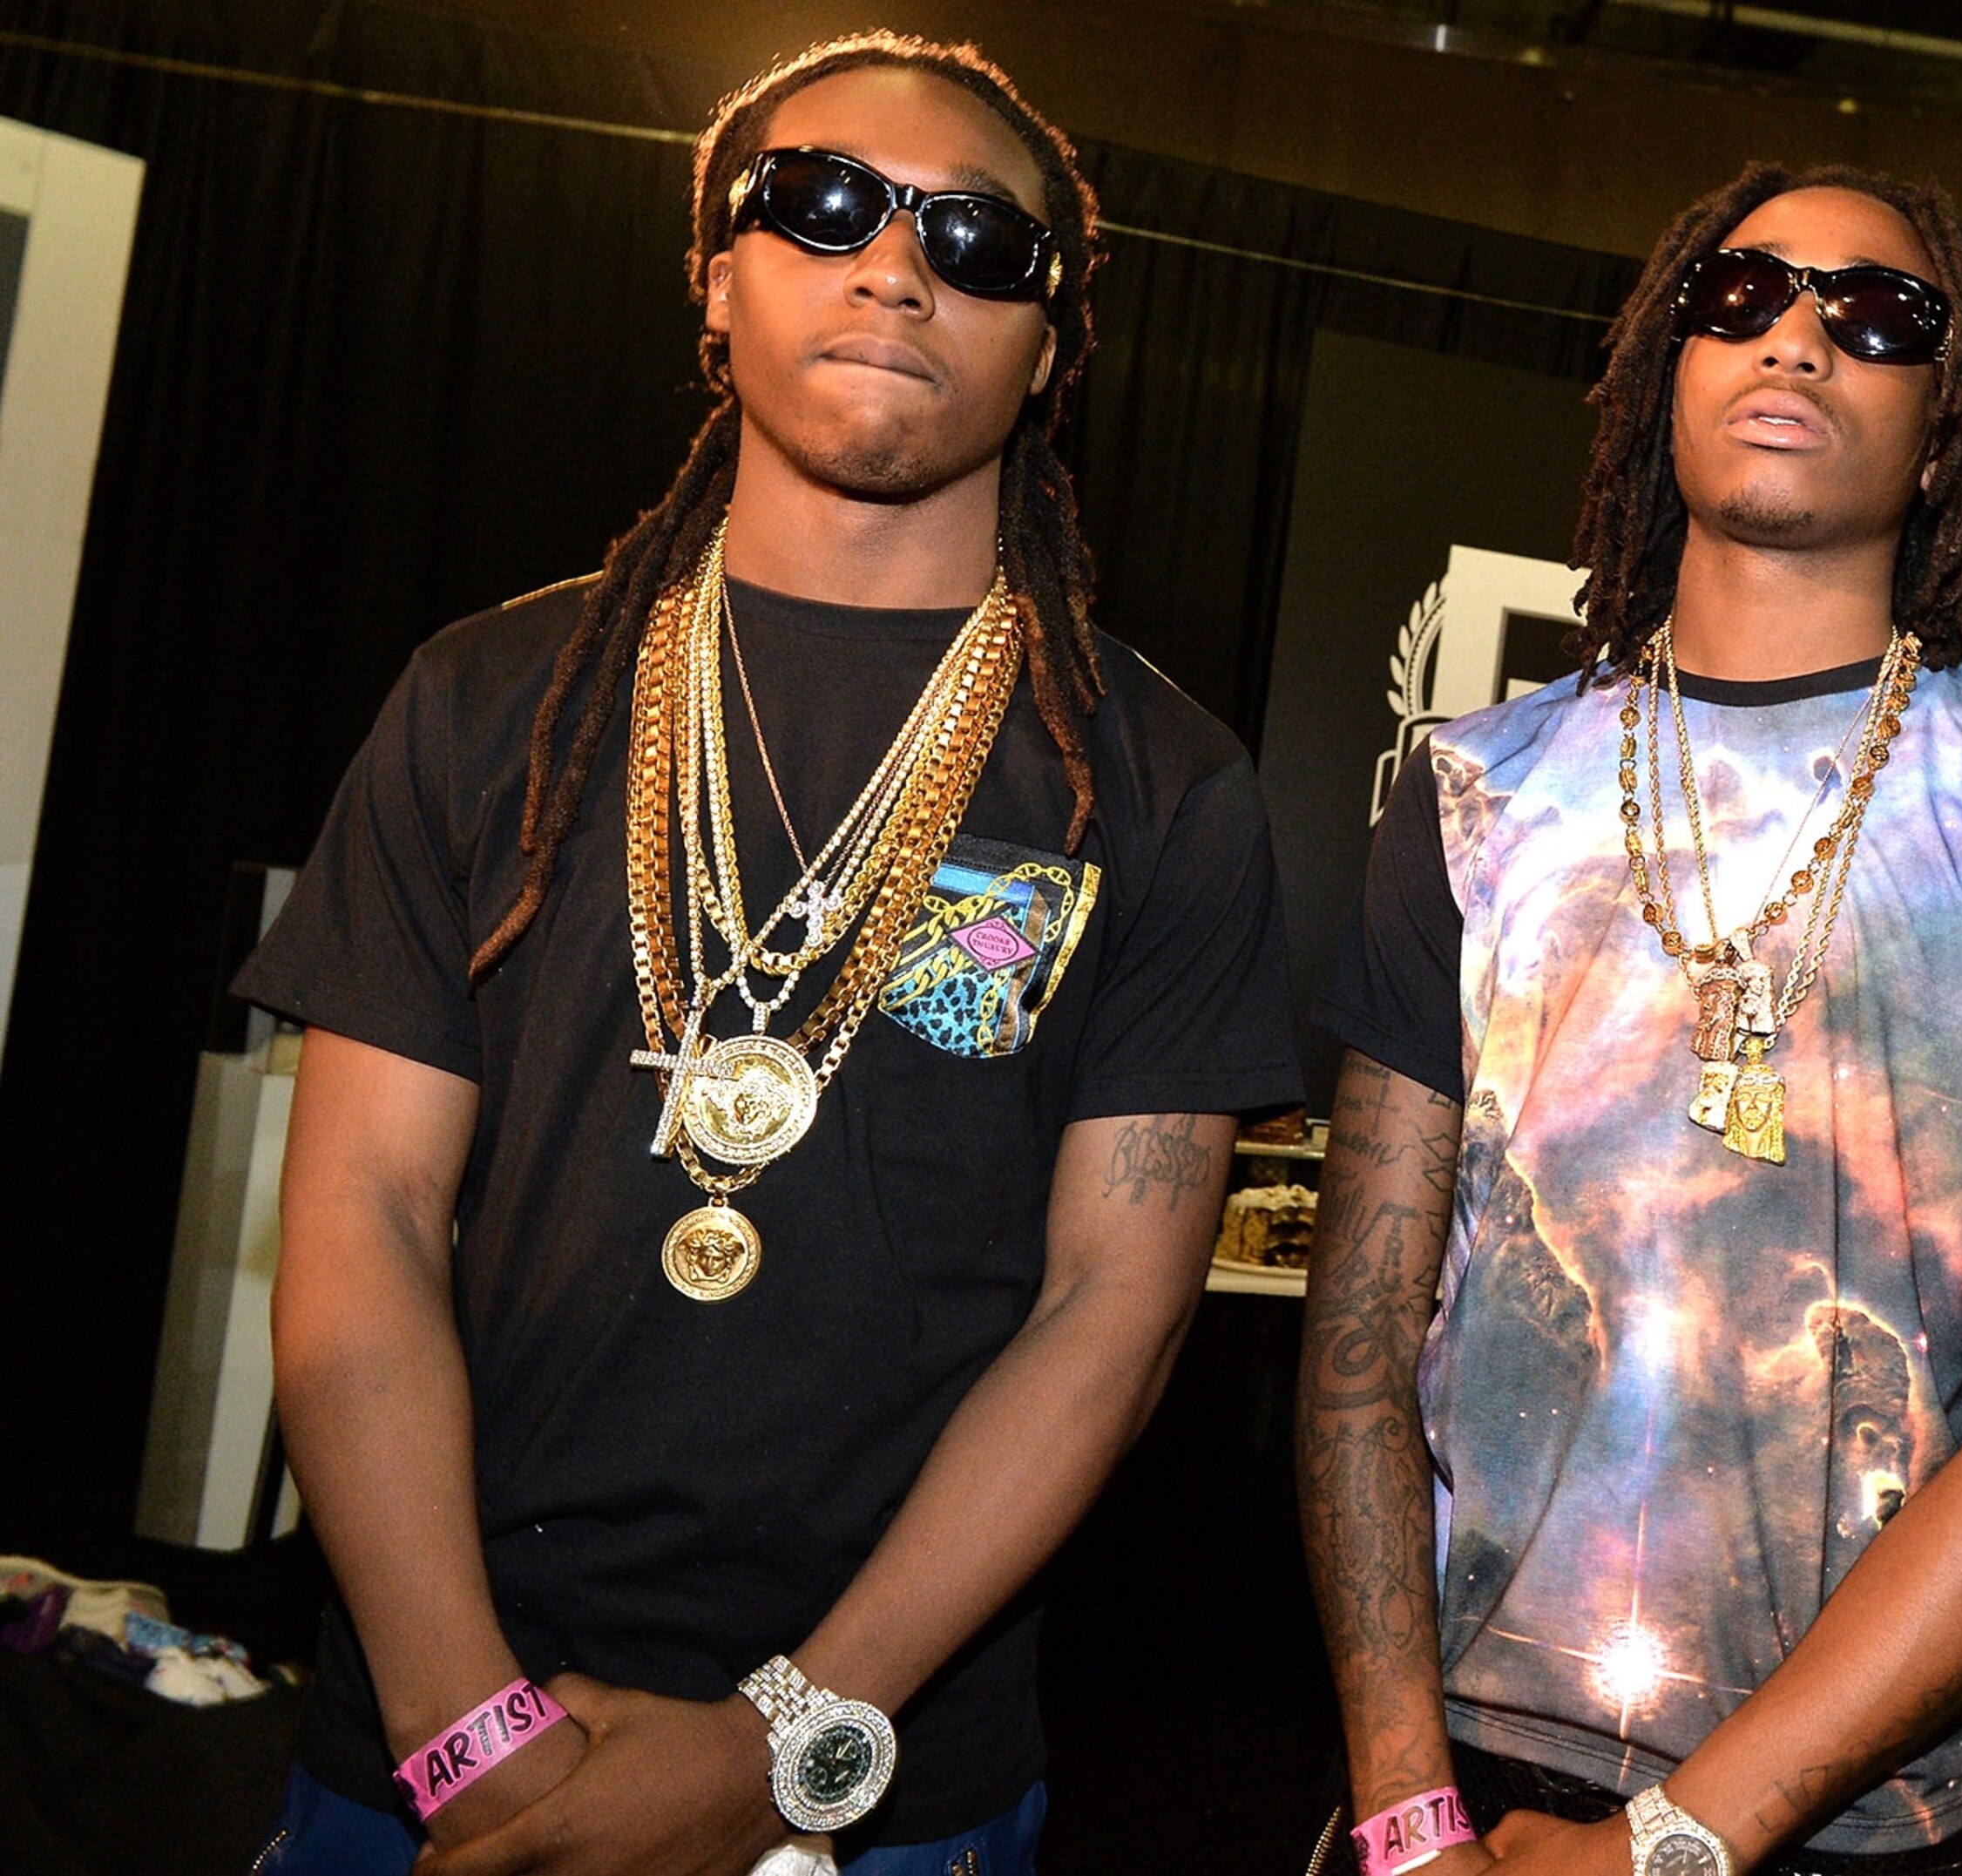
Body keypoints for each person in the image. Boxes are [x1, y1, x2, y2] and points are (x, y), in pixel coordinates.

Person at [235, 32, 1297, 1876]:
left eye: (978, 241)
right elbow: (359, 1226)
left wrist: (789, 1735)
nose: (895, 264)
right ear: (718, 281)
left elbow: (1108, 1316)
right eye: (821, 204)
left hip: (885, 1796)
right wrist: (469, 1729)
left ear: (1052, 346)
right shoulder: (495, 702)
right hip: (424, 1753)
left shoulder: (1162, 787)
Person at [1299, 164, 1962, 1876]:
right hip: (1453, 1783)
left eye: (1876, 314)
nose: (1796, 333)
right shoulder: (1473, 794)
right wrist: (1408, 1801)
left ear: (1944, 434)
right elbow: (1361, 1347)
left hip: (1843, 1807)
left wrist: (1675, 1838)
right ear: (1667, 373)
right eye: (1739, 296)